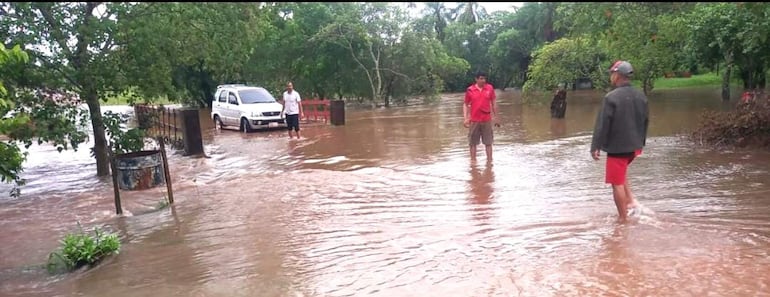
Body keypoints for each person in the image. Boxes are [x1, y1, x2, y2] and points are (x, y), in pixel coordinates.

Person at [590, 60, 649, 222]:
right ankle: (631, 201)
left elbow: (602, 124)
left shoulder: (611, 97)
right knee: (621, 172)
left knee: (616, 183)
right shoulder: (641, 95)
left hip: (618, 148)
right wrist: (641, 143)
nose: (611, 77)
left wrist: (595, 146)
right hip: (635, 146)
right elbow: (645, 120)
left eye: (612, 74)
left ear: (617, 76)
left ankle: (623, 220)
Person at [463, 71, 500, 164]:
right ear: (476, 79)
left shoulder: (489, 88)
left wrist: (497, 117)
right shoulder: (470, 90)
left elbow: (494, 103)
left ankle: (490, 163)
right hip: (474, 120)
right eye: (481, 78)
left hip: (486, 120)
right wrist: (466, 118)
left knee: (488, 142)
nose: (483, 80)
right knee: (472, 143)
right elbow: (465, 104)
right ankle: (473, 163)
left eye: (484, 78)